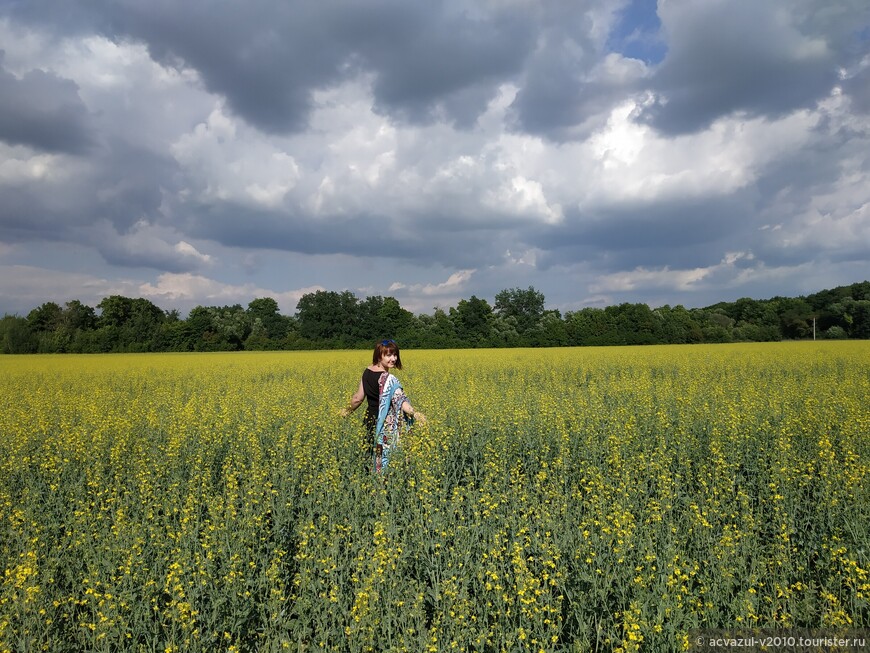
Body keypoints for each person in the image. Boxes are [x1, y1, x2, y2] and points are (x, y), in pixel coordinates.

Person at [340, 339, 426, 472]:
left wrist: (346, 411)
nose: (393, 358)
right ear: (379, 355)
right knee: (384, 460)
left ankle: (370, 486)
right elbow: (401, 401)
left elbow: (358, 398)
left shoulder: (367, 372)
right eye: (389, 355)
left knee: (369, 455)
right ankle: (382, 488)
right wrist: (415, 413)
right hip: (385, 426)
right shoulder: (389, 379)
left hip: (369, 420)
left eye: (395, 355)